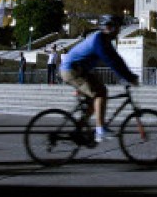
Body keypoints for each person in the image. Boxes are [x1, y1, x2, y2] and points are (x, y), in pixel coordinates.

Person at [59, 14, 139, 142]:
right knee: (101, 92)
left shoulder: (104, 41)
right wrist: (127, 77)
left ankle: (78, 130)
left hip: (77, 70)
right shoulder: (99, 40)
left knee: (93, 102)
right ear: (108, 27)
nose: (118, 30)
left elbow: (117, 59)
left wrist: (129, 75)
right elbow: (110, 61)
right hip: (72, 69)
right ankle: (100, 130)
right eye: (116, 27)